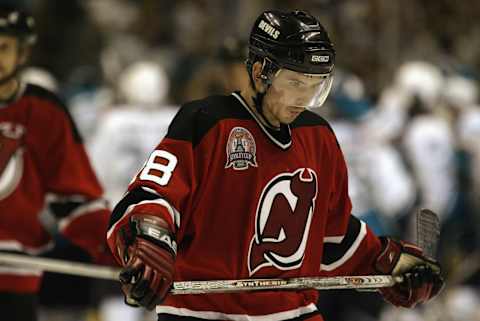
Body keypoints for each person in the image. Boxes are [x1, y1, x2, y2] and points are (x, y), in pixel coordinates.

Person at [106, 10, 444, 321]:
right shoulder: (206, 121)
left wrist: (389, 261)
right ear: (260, 72)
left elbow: (331, 235)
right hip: (202, 314)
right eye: (296, 83)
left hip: (292, 314)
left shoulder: (319, 136)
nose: (304, 98)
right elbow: (151, 195)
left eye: (315, 85)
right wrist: (149, 238)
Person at [0, 5, 113, 321]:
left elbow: (77, 202)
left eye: (4, 47)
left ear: (23, 53)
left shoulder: (44, 111)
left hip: (17, 279)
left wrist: (119, 251)